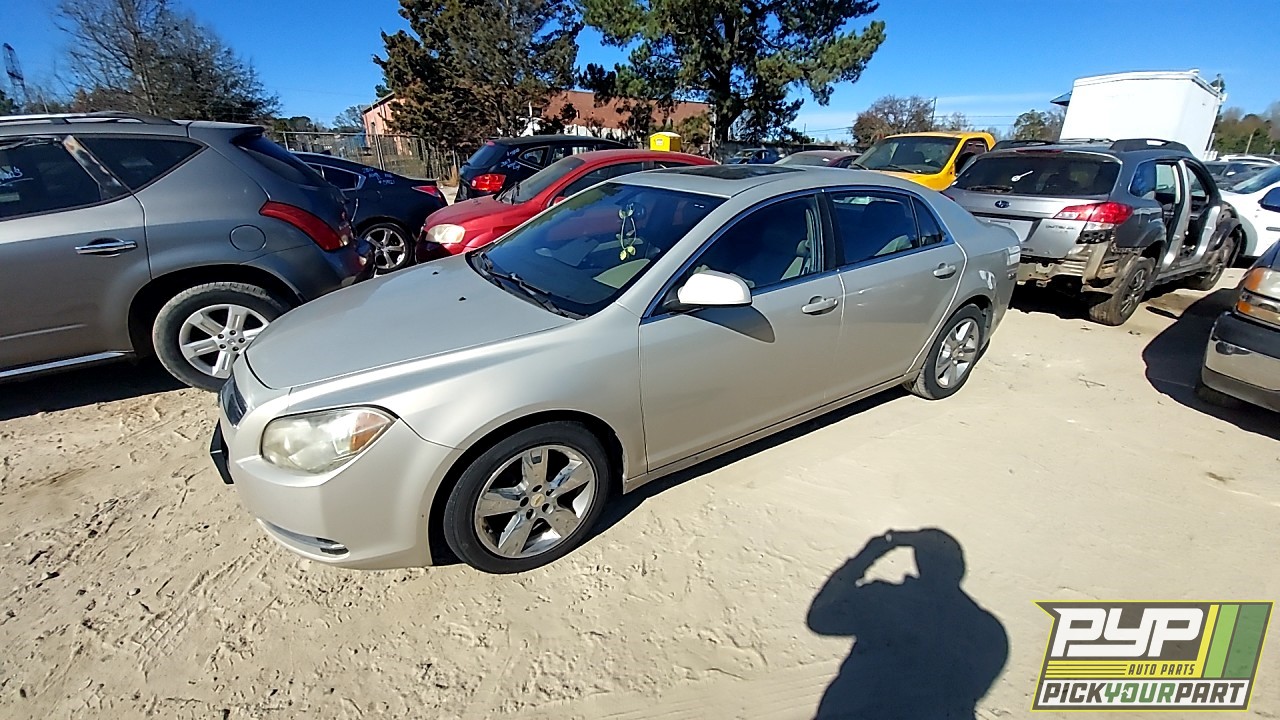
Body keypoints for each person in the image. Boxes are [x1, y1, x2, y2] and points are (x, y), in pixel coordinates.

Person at [807, 528, 1009, 719]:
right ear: (960, 568)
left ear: (920, 563)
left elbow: (821, 617)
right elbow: (972, 691)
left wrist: (868, 555)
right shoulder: (989, 630)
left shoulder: (886, 601)